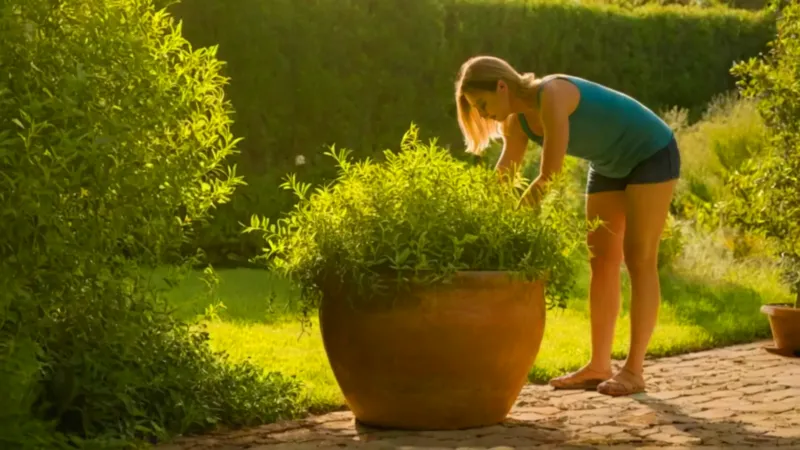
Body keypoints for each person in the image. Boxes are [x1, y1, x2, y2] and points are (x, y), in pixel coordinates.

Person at [454, 55, 680, 397]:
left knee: (639, 257)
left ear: (502, 86)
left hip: (649, 151)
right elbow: (506, 172)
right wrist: (480, 217)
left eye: (482, 104)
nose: (483, 115)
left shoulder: (553, 94)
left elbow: (550, 176)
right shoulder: (516, 121)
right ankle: (599, 366)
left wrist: (512, 223)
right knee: (601, 260)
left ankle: (633, 371)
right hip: (608, 163)